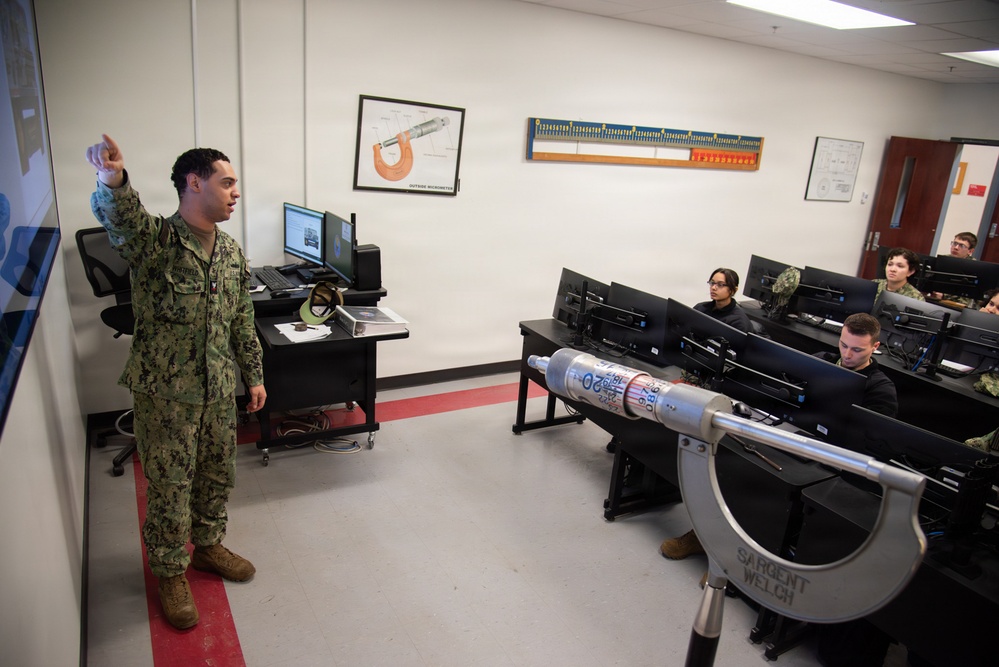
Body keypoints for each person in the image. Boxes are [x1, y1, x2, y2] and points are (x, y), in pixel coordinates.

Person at [87, 134, 267, 630]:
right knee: (170, 486)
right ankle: (169, 572)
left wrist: (252, 375)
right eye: (226, 182)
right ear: (194, 183)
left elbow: (241, 318)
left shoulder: (229, 251)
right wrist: (112, 179)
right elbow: (123, 220)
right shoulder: (157, 242)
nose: (235, 192)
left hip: (217, 389)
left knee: (216, 474)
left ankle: (207, 546)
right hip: (167, 394)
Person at [659, 312, 897, 561]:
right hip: (794, 435)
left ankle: (739, 556)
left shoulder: (880, 389)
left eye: (857, 350)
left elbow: (871, 443)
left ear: (875, 347)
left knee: (769, 483)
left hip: (831, 458)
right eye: (844, 345)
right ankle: (704, 535)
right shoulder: (821, 361)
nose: (847, 355)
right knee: (736, 458)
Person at [694, 267, 751, 332]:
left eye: (720, 284)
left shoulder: (738, 322)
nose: (713, 288)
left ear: (733, 290)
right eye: (712, 283)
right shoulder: (700, 308)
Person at [928, 232, 978, 305]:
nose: (956, 247)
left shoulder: (974, 267)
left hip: (959, 304)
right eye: (954, 243)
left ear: (970, 251)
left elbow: (967, 295)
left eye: (962, 246)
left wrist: (944, 296)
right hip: (935, 298)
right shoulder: (943, 260)